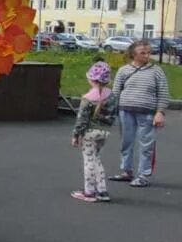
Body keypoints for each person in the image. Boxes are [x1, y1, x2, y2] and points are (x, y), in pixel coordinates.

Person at [110, 39, 170, 188]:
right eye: (143, 53)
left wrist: (160, 112)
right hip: (125, 110)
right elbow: (116, 92)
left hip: (147, 112)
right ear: (133, 54)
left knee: (146, 145)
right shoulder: (124, 70)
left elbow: (163, 93)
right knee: (126, 142)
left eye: (149, 52)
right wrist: (111, 110)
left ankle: (143, 175)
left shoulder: (156, 71)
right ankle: (126, 171)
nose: (147, 56)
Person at [70, 61, 117, 203]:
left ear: (91, 79)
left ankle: (89, 191)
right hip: (104, 131)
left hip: (90, 132)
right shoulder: (112, 96)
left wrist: (76, 135)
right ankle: (102, 190)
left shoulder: (88, 98)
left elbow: (82, 120)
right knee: (97, 159)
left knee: (89, 161)